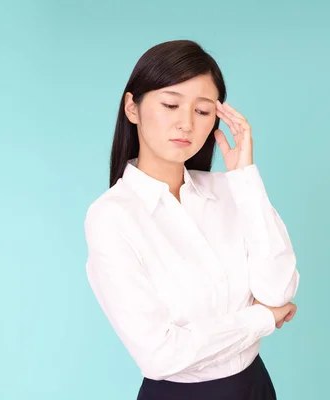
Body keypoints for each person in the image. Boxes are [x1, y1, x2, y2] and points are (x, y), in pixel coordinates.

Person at [83, 40, 300, 400]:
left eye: (202, 111)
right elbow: (159, 355)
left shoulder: (231, 191)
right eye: (170, 104)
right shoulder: (112, 216)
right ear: (132, 107)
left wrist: (245, 177)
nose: (185, 123)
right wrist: (261, 320)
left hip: (255, 387)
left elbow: (278, 291)